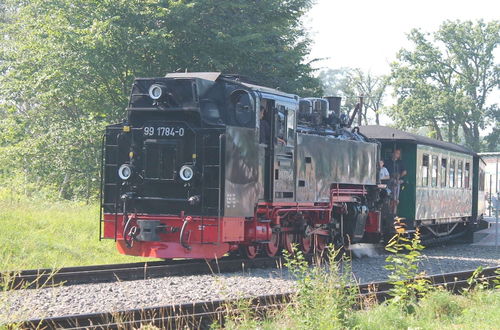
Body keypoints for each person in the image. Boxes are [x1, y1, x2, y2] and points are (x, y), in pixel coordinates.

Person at [385, 149, 407, 214]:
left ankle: (395, 202)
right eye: (396, 153)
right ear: (392, 153)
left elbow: (405, 171)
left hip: (397, 181)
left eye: (398, 153)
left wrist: (399, 176)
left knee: (396, 184)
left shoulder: (400, 162)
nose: (397, 155)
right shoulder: (387, 162)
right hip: (388, 180)